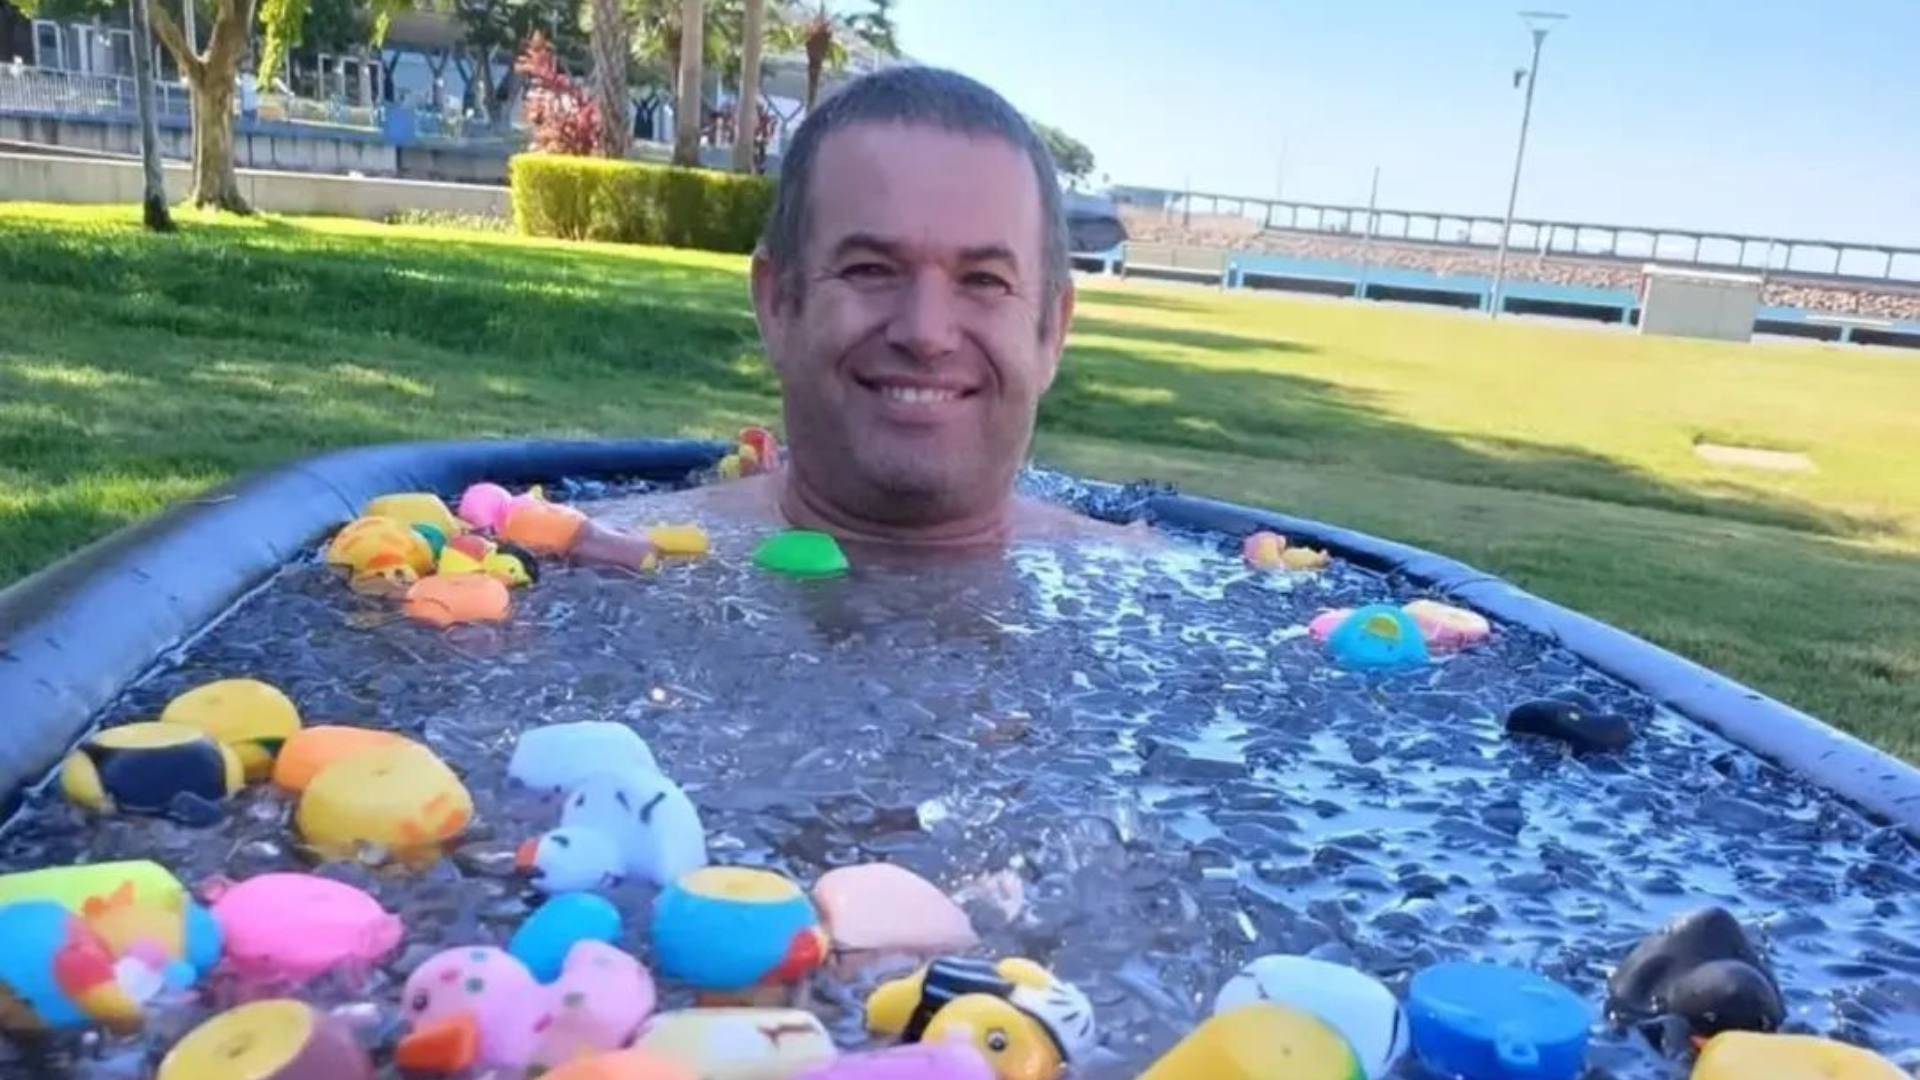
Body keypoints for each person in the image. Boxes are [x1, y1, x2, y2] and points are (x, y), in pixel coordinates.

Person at [664, 65, 1134, 551]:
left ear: (1051, 330)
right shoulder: (614, 565)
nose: (925, 333)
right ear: (778, 303)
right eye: (870, 270)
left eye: (983, 280)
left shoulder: (1154, 596)